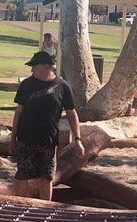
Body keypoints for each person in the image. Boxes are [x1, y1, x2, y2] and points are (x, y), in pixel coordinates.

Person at [10, 51, 83, 201]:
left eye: (33, 66)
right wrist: (12, 139)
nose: (31, 70)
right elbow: (18, 112)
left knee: (47, 177)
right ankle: (20, 208)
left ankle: (44, 210)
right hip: (25, 139)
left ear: (45, 67)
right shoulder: (26, 85)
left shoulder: (63, 87)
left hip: (49, 142)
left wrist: (78, 139)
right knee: (22, 176)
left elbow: (71, 113)